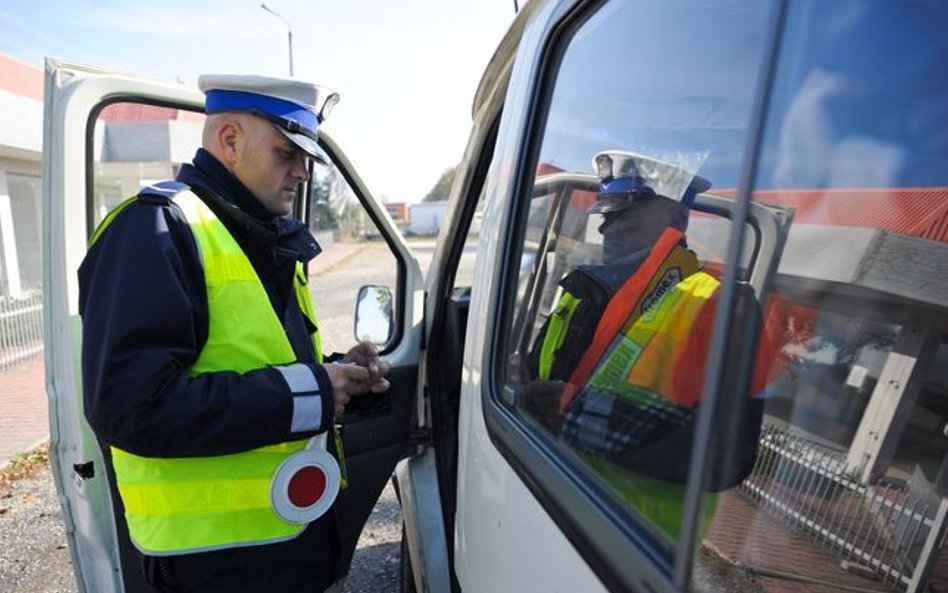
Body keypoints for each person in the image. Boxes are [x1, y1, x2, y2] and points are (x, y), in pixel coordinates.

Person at [78, 75, 389, 593]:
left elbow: (248, 360)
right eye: (288, 152)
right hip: (215, 565)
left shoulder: (253, 230)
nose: (304, 173)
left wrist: (337, 375)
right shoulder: (157, 229)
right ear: (229, 140)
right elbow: (131, 408)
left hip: (283, 544)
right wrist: (314, 391)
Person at [524, 150, 773, 539]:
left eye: (622, 213)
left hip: (633, 545)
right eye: (604, 215)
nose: (606, 228)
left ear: (674, 217)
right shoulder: (585, 289)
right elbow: (547, 374)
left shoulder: (722, 307)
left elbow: (724, 456)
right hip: (549, 498)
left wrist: (572, 410)